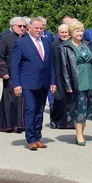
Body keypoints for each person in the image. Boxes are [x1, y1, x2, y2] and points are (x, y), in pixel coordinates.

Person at [12, 17, 56, 151]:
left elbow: (51, 64)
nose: (39, 30)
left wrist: (53, 81)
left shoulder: (47, 42)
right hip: (28, 83)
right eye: (36, 28)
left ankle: (38, 137)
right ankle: (30, 139)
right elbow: (15, 65)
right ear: (29, 28)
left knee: (39, 111)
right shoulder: (21, 43)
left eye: (41, 28)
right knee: (30, 109)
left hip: (43, 82)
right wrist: (17, 84)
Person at [60, 21, 92, 145]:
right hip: (76, 81)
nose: (80, 33)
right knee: (78, 109)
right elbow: (64, 68)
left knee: (87, 109)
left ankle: (81, 132)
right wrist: (67, 85)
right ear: (71, 33)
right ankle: (79, 135)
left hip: (90, 80)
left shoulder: (87, 45)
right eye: (77, 31)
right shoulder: (65, 47)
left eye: (81, 31)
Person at [0, 17, 27, 133]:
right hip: (10, 73)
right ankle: (9, 124)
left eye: (24, 26)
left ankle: (22, 123)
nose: (22, 28)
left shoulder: (28, 38)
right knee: (11, 98)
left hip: (25, 74)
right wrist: (3, 71)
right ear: (12, 26)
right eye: (19, 26)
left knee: (24, 98)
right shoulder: (6, 38)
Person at [49, 23, 74, 130]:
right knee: (59, 99)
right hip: (58, 75)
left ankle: (70, 122)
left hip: (71, 75)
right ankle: (55, 120)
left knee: (71, 100)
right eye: (62, 32)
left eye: (66, 32)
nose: (64, 34)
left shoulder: (73, 44)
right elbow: (51, 63)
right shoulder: (54, 45)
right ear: (58, 33)